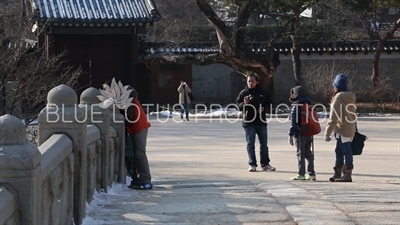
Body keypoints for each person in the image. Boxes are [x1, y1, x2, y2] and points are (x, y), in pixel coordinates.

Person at [235, 74, 276, 172]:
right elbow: (238, 106)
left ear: (257, 82)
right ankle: (252, 164)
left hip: (261, 121)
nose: (250, 83)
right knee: (250, 144)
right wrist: (244, 103)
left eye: (252, 81)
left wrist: (264, 108)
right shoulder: (243, 93)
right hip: (249, 122)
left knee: (264, 144)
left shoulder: (263, 92)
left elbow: (269, 103)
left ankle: (265, 164)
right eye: (249, 81)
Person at [324, 74, 357, 182]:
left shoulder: (338, 98)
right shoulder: (351, 96)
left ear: (337, 86)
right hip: (349, 127)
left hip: (342, 128)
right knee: (339, 151)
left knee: (346, 151)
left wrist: (327, 133)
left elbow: (333, 117)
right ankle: (338, 173)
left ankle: (347, 175)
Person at [125, 86, 153, 189]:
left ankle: (146, 180)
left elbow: (130, 117)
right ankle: (141, 178)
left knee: (140, 154)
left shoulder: (130, 101)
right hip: (139, 128)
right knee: (138, 154)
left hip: (139, 128)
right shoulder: (131, 100)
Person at [287, 86, 316, 180]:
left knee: (300, 153)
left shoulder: (296, 106)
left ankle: (301, 173)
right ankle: (311, 173)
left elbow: (294, 123)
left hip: (299, 133)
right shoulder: (308, 104)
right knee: (308, 152)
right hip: (309, 132)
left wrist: (290, 134)